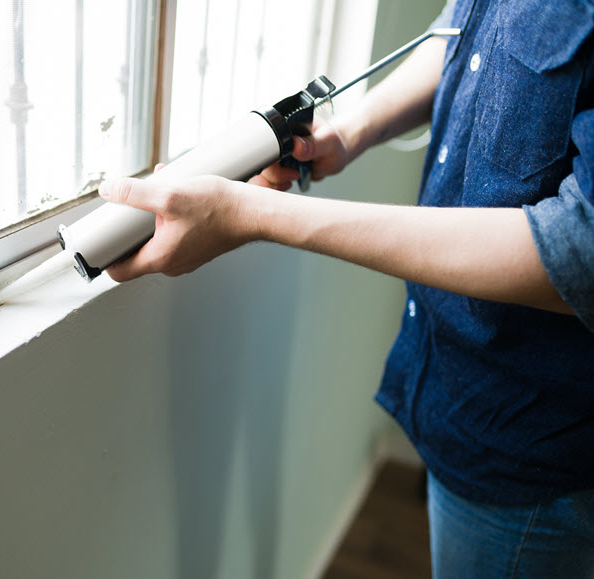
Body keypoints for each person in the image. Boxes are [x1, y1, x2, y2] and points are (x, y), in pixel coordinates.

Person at [98, 0, 594, 576]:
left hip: (531, 431)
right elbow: (473, 29)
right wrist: (348, 131)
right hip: (455, 383)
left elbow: (581, 251)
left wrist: (252, 217)